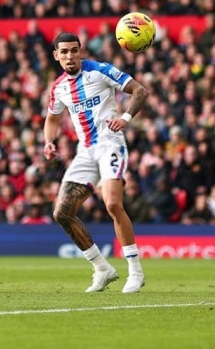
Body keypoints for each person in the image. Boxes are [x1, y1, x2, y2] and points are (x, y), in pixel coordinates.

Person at [43, 32, 150, 293]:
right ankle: (102, 268)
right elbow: (53, 118)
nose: (70, 56)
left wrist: (125, 118)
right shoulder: (59, 88)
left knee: (112, 203)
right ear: (56, 56)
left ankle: (135, 272)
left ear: (81, 52)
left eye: (74, 50)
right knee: (62, 213)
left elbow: (140, 90)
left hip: (110, 144)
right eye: (64, 52)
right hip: (85, 151)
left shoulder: (100, 71)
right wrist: (49, 141)